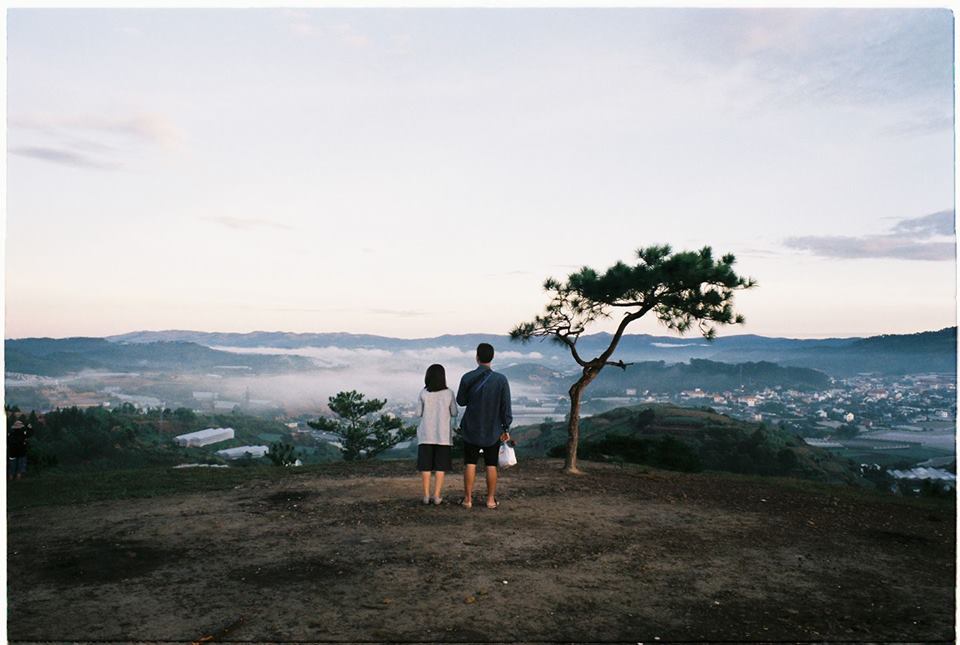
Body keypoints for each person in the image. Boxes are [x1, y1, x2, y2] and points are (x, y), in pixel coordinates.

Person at [456, 342, 512, 509]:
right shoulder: (501, 380)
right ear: (492, 358)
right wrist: (506, 428)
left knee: (470, 463)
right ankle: (490, 500)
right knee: (491, 464)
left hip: (471, 427)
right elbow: (505, 407)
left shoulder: (467, 377)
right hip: (493, 429)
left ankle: (467, 499)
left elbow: (461, 401)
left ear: (477, 357)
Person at [416, 364, 459, 505]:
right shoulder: (449, 393)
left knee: (426, 467)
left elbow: (418, 413)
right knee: (440, 467)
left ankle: (426, 496)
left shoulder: (423, 393)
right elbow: (454, 412)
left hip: (426, 435)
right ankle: (437, 496)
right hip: (443, 436)